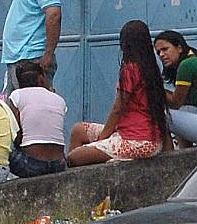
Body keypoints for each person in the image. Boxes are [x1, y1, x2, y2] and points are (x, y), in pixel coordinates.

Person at [69, 20, 173, 164]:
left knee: (74, 157)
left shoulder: (130, 69)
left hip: (137, 141)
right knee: (78, 130)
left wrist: (103, 139)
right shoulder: (151, 70)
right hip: (144, 137)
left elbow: (118, 109)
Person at [5, 60, 68, 178]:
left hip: (32, 165)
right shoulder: (59, 99)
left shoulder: (16, 95)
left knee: (4, 151)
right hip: (59, 165)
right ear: (42, 78)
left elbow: (17, 136)